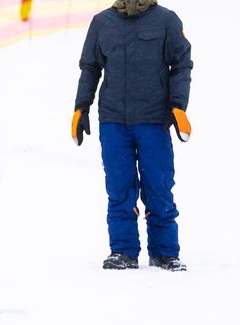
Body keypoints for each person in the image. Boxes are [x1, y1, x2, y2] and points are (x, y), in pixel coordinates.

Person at [71, 0, 192, 271]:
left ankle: (164, 252)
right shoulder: (102, 22)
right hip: (114, 121)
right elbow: (90, 68)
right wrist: (81, 107)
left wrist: (178, 106)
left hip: (154, 121)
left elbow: (182, 64)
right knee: (119, 187)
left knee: (159, 186)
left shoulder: (166, 20)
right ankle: (123, 250)